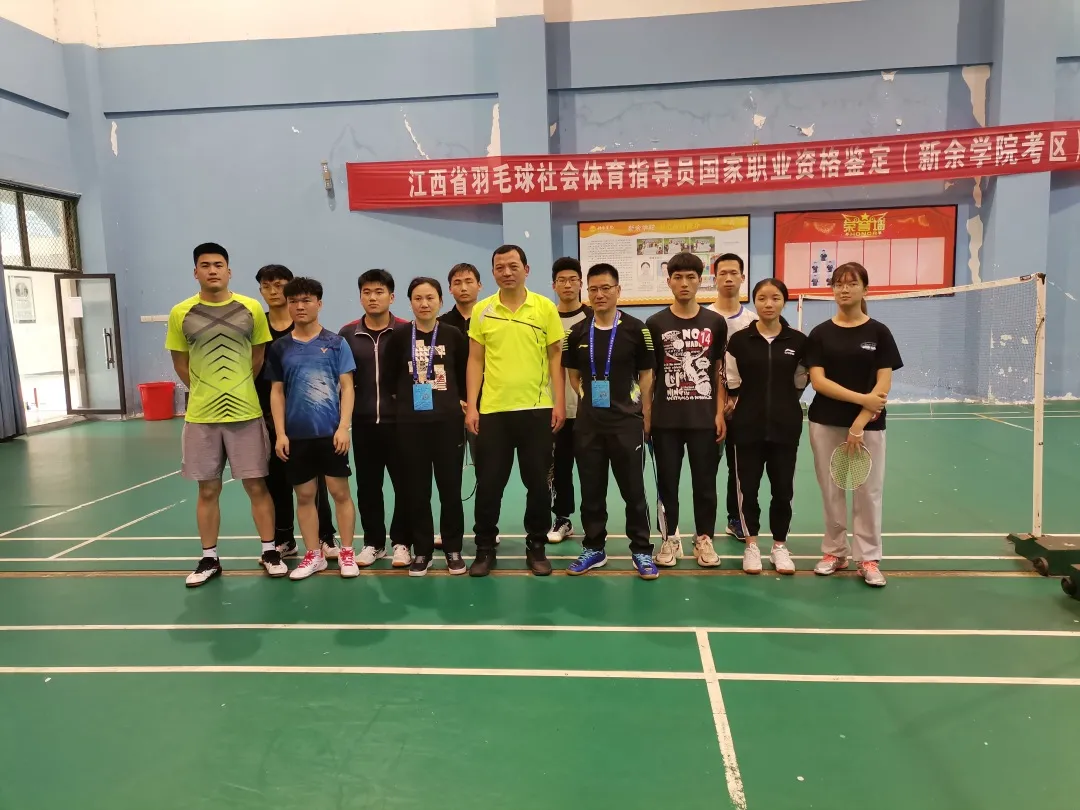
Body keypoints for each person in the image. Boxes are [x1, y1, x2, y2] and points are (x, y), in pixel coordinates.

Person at [166, 243, 287, 587]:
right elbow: (180, 363)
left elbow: (258, 357)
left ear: (229, 271)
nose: (212, 270)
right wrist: (207, 392)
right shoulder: (181, 312)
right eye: (205, 265)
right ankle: (210, 558)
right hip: (201, 416)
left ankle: (270, 551)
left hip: (246, 412)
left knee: (256, 485)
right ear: (196, 272)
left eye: (218, 265)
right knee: (207, 490)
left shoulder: (251, 308)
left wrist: (237, 388)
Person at [466, 244, 566, 577]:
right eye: (500, 267)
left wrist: (559, 402)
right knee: (489, 484)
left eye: (513, 266)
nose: (506, 272)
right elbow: (475, 360)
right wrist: (472, 406)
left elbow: (555, 357)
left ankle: (536, 547)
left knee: (537, 485)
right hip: (493, 412)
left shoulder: (544, 308)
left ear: (526, 269)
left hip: (536, 410)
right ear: (493, 272)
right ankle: (484, 548)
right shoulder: (482, 310)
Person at [805, 262, 903, 588]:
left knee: (868, 491)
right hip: (825, 422)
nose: (844, 289)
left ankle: (868, 557)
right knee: (831, 489)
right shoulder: (820, 333)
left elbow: (883, 385)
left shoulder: (879, 333)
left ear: (865, 289)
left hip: (868, 426)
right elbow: (818, 382)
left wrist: (859, 423)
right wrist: (862, 398)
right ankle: (835, 552)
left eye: (851, 283)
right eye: (838, 284)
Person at [562, 264, 658, 580]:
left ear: (618, 290)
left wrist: (642, 411)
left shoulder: (636, 330)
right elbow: (573, 375)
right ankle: (594, 547)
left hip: (626, 423)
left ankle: (641, 550)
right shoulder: (577, 333)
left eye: (605, 288)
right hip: (589, 425)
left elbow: (646, 375)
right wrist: (588, 399)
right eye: (593, 289)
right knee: (591, 491)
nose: (599, 294)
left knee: (634, 491)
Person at [266, 278, 358, 580]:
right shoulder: (280, 347)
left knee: (339, 493)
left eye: (306, 300)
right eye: (293, 301)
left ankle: (347, 552)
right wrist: (281, 433)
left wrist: (344, 427)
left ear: (319, 303)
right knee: (304, 496)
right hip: (297, 436)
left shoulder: (336, 343)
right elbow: (277, 392)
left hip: (331, 434)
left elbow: (347, 387)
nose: (299, 306)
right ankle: (313, 554)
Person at [646, 252, 728, 569]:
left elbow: (718, 371)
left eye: (691, 277)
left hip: (704, 420)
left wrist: (719, 413)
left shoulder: (715, 322)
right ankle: (669, 538)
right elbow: (650, 375)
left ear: (700, 281)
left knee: (705, 485)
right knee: (667, 483)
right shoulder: (655, 323)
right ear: (668, 281)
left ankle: (704, 538)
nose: (684, 283)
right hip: (666, 421)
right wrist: (648, 415)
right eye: (678, 277)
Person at [385, 277, 469, 576]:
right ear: (410, 302)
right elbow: (390, 379)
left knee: (450, 490)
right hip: (411, 427)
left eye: (430, 298)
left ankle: (453, 548)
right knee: (417, 492)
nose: (424, 303)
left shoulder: (453, 335)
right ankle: (422, 551)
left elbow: (465, 374)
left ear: (440, 301)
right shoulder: (399, 337)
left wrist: (460, 402)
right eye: (418, 298)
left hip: (447, 425)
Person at [254, 263, 338, 560]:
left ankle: (325, 536)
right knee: (276, 479)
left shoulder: (307, 327)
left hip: (309, 417)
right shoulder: (258, 327)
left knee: (315, 483)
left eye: (279, 285)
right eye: (267, 286)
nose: (273, 291)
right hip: (268, 416)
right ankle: (284, 538)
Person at [724, 278, 807, 576]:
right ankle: (751, 545)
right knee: (748, 489)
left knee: (783, 490)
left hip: (786, 427)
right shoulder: (739, 341)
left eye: (775, 298)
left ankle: (780, 546)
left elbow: (801, 381)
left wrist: (781, 404)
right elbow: (732, 381)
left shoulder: (798, 342)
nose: (768, 304)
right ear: (754, 302)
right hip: (746, 428)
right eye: (762, 298)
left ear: (784, 301)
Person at [339, 269, 411, 568]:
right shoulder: (347, 334)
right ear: (360, 297)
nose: (372, 297)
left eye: (379, 292)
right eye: (366, 292)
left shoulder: (406, 330)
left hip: (401, 424)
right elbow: (343, 381)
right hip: (364, 423)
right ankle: (373, 543)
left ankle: (402, 542)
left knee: (405, 485)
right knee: (368, 487)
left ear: (391, 297)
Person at [708, 253, 758, 543]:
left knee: (739, 468)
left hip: (743, 404)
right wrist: (718, 401)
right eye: (722, 273)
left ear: (742, 278)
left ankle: (736, 519)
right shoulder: (703, 318)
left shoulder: (753, 321)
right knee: (706, 468)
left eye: (734, 273)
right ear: (714, 279)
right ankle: (704, 526)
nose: (728, 278)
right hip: (708, 404)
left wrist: (738, 399)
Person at [549, 257, 591, 544]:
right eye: (561, 280)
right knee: (559, 468)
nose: (567, 285)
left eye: (572, 279)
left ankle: (593, 522)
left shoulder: (593, 317)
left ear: (580, 283)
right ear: (554, 285)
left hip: (588, 409)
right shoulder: (545, 317)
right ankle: (562, 518)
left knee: (591, 468)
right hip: (554, 408)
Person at [438, 262, 482, 335]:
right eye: (457, 283)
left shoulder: (490, 319)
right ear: (450, 289)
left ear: (479, 285)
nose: (463, 288)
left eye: (468, 282)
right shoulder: (440, 323)